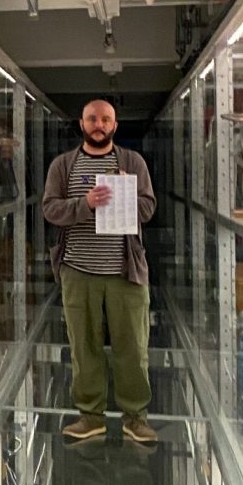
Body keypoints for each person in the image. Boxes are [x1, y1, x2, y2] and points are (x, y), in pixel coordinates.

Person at [43, 99, 157, 443]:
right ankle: (90, 416)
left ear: (115, 126)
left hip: (125, 274)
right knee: (84, 347)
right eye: (92, 118)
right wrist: (86, 204)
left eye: (106, 119)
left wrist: (125, 194)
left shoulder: (132, 163)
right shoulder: (63, 165)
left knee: (133, 347)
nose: (99, 124)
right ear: (81, 124)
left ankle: (135, 418)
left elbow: (148, 208)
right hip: (78, 271)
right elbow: (50, 209)